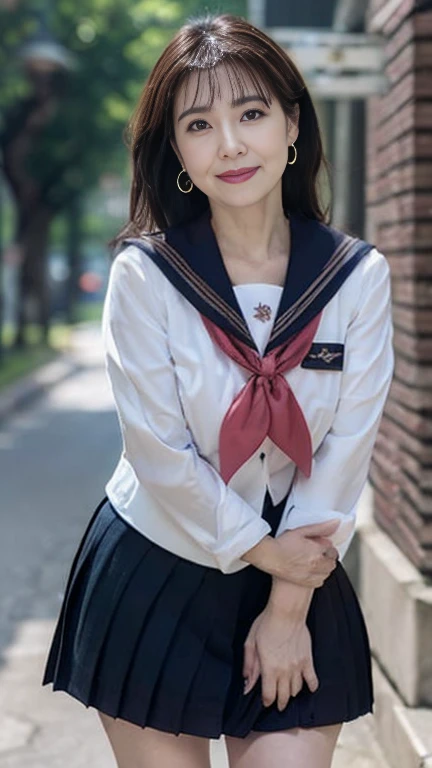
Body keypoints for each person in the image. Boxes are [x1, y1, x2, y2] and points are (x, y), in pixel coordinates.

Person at [42, 12, 394, 768]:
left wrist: (289, 603)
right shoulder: (146, 277)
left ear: (292, 125)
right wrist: (269, 555)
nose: (231, 144)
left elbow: (345, 450)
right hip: (159, 562)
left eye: (253, 113)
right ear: (177, 149)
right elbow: (161, 455)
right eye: (200, 124)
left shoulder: (357, 278)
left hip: (299, 573)